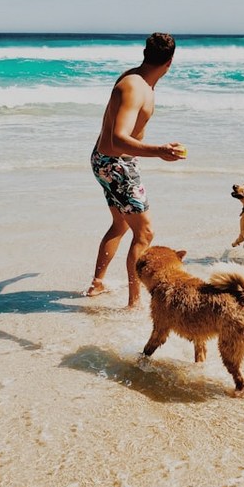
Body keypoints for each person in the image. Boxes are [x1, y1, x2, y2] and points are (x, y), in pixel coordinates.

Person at [85, 33, 185, 306]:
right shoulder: (135, 87)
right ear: (170, 62)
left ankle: (97, 284)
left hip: (105, 161)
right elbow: (118, 138)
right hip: (116, 164)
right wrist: (159, 151)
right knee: (145, 233)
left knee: (120, 224)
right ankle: (135, 302)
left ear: (145, 53)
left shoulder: (136, 78)